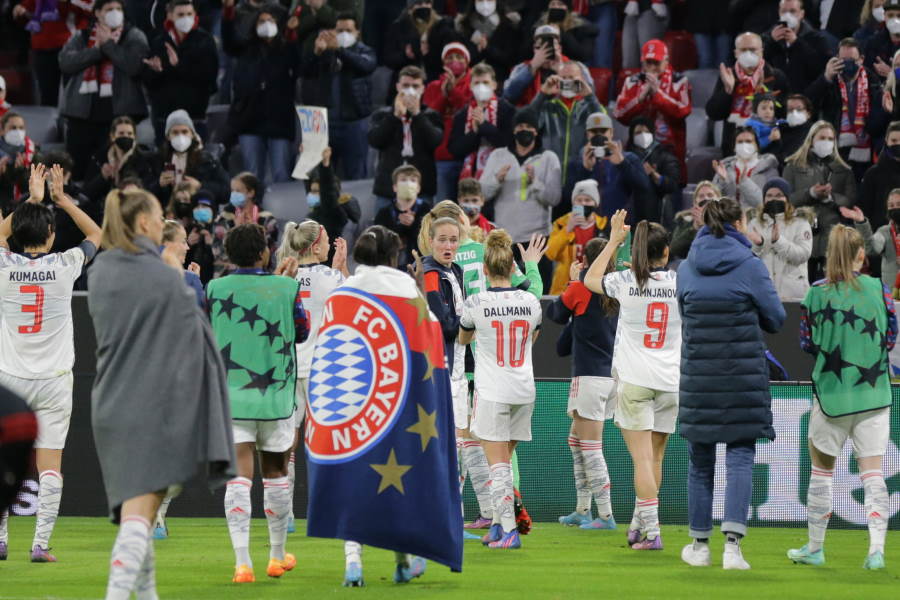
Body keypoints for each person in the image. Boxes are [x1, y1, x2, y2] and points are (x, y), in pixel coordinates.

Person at [87, 187, 234, 598]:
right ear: (144, 224)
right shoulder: (165, 278)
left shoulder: (100, 272)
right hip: (149, 405)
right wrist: (178, 277)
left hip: (109, 404)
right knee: (139, 515)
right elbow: (197, 337)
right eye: (158, 215)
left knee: (143, 515)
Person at [677, 197, 786, 571]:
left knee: (700, 463)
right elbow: (776, 318)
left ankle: (699, 546)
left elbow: (684, 316)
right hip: (742, 379)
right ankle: (733, 550)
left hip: (699, 380)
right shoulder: (750, 266)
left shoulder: (687, 268)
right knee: (740, 458)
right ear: (739, 223)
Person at [0, 164, 100, 563]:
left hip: (11, 377)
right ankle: (40, 545)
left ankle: (1, 540)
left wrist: (32, 201)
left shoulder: (4, 268)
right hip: (56, 379)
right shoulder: (64, 267)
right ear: (53, 235)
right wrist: (61, 199)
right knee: (50, 464)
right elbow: (97, 235)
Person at [788, 224, 896, 570]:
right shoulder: (880, 290)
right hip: (874, 394)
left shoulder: (814, 294)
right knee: (873, 474)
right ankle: (876, 550)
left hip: (832, 397)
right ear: (861, 255)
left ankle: (815, 548)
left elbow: (807, 343)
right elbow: (890, 337)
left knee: (821, 473)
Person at [207, 223, 308, 583]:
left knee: (238, 479)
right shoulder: (287, 288)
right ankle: (277, 557)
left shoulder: (214, 288)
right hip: (276, 396)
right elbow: (302, 331)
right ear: (265, 253)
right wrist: (281, 287)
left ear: (228, 256)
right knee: (277, 476)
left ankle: (241, 563)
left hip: (232, 397)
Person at [583, 209, 680, 551]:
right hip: (671, 382)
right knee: (655, 460)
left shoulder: (625, 283)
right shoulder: (680, 283)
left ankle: (653, 533)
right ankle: (641, 525)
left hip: (636, 382)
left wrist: (612, 241)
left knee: (641, 461)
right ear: (666, 253)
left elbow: (589, 279)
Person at [459, 228, 542, 550]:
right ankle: (496, 525)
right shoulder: (531, 302)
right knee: (504, 460)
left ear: (484, 270)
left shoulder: (476, 302)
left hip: (492, 390)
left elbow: (464, 339)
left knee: (498, 465)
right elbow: (533, 338)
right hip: (524, 389)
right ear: (512, 268)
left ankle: (509, 531)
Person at [274, 219, 347, 535]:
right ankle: (327, 511)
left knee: (286, 445)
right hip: (323, 370)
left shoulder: (281, 279)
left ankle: (285, 514)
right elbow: (352, 310)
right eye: (328, 239)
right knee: (327, 444)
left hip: (288, 368)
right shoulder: (332, 278)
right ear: (316, 245)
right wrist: (342, 269)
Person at [547, 237, 618, 531]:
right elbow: (567, 337)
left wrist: (573, 282)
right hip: (612, 376)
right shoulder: (619, 287)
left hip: (588, 377)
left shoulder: (581, 288)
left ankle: (605, 514)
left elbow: (554, 314)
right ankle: (582, 509)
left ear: (587, 261)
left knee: (590, 447)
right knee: (576, 441)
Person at [58, 0, 150, 181]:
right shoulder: (82, 36)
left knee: (118, 170)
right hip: (82, 116)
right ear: (98, 13)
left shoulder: (134, 35)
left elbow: (134, 66)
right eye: (109, 9)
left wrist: (108, 45)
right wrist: (97, 51)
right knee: (78, 170)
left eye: (118, 9)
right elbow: (66, 62)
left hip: (119, 116)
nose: (115, 12)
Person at [479, 108, 561, 290]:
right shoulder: (498, 155)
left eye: (529, 127)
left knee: (539, 294)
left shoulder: (549, 158)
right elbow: (482, 193)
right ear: (514, 130)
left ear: (536, 131)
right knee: (503, 293)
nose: (525, 130)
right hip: (505, 241)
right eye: (520, 126)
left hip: (537, 241)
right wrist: (496, 180)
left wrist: (536, 182)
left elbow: (555, 198)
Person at [223, 0, 300, 184]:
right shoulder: (245, 48)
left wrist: (291, 34)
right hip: (250, 120)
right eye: (261, 21)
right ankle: (255, 211)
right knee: (253, 176)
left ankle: (283, 212)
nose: (266, 24)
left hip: (279, 121)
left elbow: (297, 63)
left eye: (270, 20)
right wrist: (228, 13)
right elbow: (228, 42)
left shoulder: (285, 48)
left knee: (281, 173)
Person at [299, 11, 376, 180]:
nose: (343, 34)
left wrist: (339, 50)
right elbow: (305, 72)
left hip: (354, 122)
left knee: (356, 174)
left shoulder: (365, 51)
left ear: (358, 33)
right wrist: (316, 54)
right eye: (339, 30)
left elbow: (365, 66)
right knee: (322, 176)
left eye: (348, 30)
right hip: (325, 123)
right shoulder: (326, 51)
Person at [783, 120, 859, 281]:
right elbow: (786, 198)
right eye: (822, 138)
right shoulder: (793, 166)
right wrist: (810, 193)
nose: (827, 142)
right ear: (811, 140)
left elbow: (850, 199)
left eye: (830, 139)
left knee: (832, 284)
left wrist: (831, 198)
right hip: (800, 234)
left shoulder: (843, 169)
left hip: (832, 236)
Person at [806, 37, 888, 181]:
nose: (848, 64)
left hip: (866, 149)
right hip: (836, 148)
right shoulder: (830, 81)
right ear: (837, 59)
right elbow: (808, 103)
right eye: (843, 60)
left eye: (852, 60)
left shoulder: (874, 83)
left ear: (861, 59)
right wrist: (826, 78)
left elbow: (878, 121)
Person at [143, 0, 219, 144]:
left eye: (189, 14)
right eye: (181, 14)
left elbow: (208, 77)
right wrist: (156, 71)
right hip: (164, 118)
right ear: (170, 16)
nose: (186, 18)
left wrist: (178, 65)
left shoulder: (204, 41)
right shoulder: (159, 41)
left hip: (194, 116)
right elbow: (149, 82)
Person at [368, 65, 443, 210]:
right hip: (388, 189)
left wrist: (417, 114)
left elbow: (435, 141)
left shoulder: (431, 115)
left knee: (423, 232)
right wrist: (395, 116)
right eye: (406, 85)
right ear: (397, 87)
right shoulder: (382, 114)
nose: (410, 90)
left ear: (423, 88)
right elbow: (374, 140)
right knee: (383, 232)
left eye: (415, 86)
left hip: (422, 189)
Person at [613, 39, 691, 175]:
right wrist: (640, 99)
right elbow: (619, 114)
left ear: (666, 61)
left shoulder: (679, 81)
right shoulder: (631, 81)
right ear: (642, 62)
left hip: (670, 151)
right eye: (648, 63)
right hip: (638, 150)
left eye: (657, 63)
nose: (652, 68)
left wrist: (657, 94)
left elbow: (683, 111)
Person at [705, 32, 789, 156]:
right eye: (743, 50)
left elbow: (785, 115)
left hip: (768, 151)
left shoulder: (776, 76)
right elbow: (713, 113)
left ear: (761, 52)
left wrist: (763, 94)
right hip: (734, 151)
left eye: (753, 50)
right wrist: (728, 92)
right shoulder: (729, 76)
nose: (748, 54)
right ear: (736, 53)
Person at [528, 60, 602, 193]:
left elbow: (602, 127)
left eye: (572, 78)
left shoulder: (590, 107)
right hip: (549, 184)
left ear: (582, 79)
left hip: (581, 185)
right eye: (564, 78)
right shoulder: (548, 106)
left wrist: (590, 96)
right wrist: (542, 94)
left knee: (578, 214)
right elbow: (528, 122)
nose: (567, 81)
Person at [567, 111, 652, 223]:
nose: (599, 135)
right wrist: (585, 169)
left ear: (611, 132)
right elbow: (568, 197)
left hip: (620, 227)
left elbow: (645, 188)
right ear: (587, 134)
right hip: (588, 227)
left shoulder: (629, 158)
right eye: (594, 131)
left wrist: (622, 163)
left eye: (603, 131)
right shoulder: (577, 162)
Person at [11, 0, 91, 106]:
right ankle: (50, 122)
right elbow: (24, 16)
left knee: (73, 92)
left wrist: (68, 2)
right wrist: (19, 11)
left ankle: (74, 121)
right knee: (47, 95)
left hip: (69, 48)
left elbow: (91, 11)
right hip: (42, 49)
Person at [448, 62, 515, 187]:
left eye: (485, 83)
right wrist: (474, 133)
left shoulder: (507, 110)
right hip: (471, 177)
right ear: (470, 86)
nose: (481, 87)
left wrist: (484, 127)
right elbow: (454, 149)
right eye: (477, 83)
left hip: (503, 174)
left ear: (494, 85)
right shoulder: (462, 115)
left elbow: (509, 142)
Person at [746, 178, 813, 301]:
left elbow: (803, 254)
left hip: (793, 296)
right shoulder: (754, 224)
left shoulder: (800, 222)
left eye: (779, 195)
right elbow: (746, 261)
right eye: (769, 195)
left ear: (787, 199)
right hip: (763, 295)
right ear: (764, 199)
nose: (773, 199)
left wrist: (778, 241)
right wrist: (758, 245)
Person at [423, 42, 474, 202]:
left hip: (469, 156)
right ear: (443, 63)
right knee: (444, 207)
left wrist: (453, 92)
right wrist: (444, 95)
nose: (454, 61)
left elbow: (468, 112)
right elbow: (429, 118)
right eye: (450, 58)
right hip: (442, 157)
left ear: (467, 62)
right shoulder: (433, 86)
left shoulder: (474, 85)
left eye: (459, 57)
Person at [150, 109, 230, 207]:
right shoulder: (156, 160)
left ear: (192, 134)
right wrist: (158, 184)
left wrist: (200, 186)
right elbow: (143, 192)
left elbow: (226, 191)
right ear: (168, 136)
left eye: (184, 132)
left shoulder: (207, 160)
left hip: (198, 212)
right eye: (175, 132)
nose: (180, 136)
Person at [503, 24, 593, 108]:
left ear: (560, 48)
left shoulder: (578, 67)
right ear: (534, 49)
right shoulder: (521, 68)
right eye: (540, 47)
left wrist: (562, 70)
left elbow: (589, 97)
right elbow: (508, 96)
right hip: (531, 119)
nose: (545, 52)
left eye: (550, 47)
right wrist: (532, 67)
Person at [546, 179, 607, 295]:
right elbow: (550, 253)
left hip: (594, 289)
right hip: (565, 289)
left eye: (587, 200)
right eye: (579, 200)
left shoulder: (604, 226)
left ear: (595, 203)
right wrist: (567, 229)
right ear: (573, 203)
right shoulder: (561, 223)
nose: (583, 203)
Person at [383, 0, 464, 83]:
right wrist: (406, 56)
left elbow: (450, 57)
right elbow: (389, 58)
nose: (424, 6)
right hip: (406, 79)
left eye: (427, 3)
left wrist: (429, 55)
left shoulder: (443, 26)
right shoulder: (399, 27)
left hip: (436, 80)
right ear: (410, 8)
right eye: (419, 4)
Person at [762, 0, 831, 94]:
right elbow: (759, 65)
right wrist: (772, 41)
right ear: (779, 12)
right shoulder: (767, 37)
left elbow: (820, 68)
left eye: (792, 11)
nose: (787, 15)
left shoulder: (817, 39)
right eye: (784, 11)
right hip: (776, 98)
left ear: (802, 14)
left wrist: (797, 43)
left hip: (806, 98)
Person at [83, 116, 156, 203]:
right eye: (121, 133)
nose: (126, 136)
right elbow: (86, 192)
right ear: (112, 136)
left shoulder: (145, 159)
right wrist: (102, 177)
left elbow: (148, 191)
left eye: (130, 134)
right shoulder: (99, 158)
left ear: (135, 137)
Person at [374, 164, 432, 271]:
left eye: (413, 180)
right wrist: (399, 226)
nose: (408, 183)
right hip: (391, 270)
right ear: (395, 187)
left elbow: (430, 243)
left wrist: (413, 225)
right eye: (403, 180)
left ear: (418, 188)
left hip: (421, 269)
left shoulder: (427, 211)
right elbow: (377, 244)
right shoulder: (384, 213)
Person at [625, 116, 681, 225]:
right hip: (630, 215)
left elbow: (673, 185)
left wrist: (654, 175)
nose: (643, 135)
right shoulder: (625, 158)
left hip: (657, 215)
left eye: (646, 131)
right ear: (632, 136)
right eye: (638, 132)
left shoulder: (665, 156)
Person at [454, 0, 525, 84]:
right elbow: (459, 59)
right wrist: (477, 49)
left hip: (499, 81)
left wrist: (488, 48)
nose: (485, 4)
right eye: (480, 0)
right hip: (469, 82)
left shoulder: (508, 26)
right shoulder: (464, 27)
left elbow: (511, 59)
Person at [712, 126, 780, 209]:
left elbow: (764, 203)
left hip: (756, 219)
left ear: (757, 146)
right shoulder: (724, 167)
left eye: (748, 141)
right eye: (740, 142)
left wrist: (745, 182)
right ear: (734, 147)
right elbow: (713, 202)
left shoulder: (769, 169)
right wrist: (723, 181)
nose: (744, 145)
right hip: (728, 218)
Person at [860, 120, 900, 231]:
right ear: (886, 141)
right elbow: (865, 212)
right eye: (894, 140)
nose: (898, 144)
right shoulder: (873, 174)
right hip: (880, 239)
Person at [533, 0, 598, 66]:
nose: (556, 7)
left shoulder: (583, 28)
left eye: (560, 4)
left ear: (567, 8)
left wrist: (561, 33)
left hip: (572, 68)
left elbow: (584, 55)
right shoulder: (539, 27)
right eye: (553, 4)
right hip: (542, 65)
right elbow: (526, 53)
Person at [670, 180, 720, 261]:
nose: (706, 198)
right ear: (695, 202)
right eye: (701, 196)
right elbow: (674, 249)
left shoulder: (726, 219)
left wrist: (706, 227)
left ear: (718, 199)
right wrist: (695, 227)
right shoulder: (684, 220)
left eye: (710, 195)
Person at [0, 112, 37, 214]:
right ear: (2, 130)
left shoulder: (32, 152)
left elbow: (33, 189)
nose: (18, 131)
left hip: (24, 208)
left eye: (21, 128)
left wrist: (21, 171)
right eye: (13, 128)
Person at [621, 0, 669, 70]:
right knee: (629, 64)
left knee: (648, 62)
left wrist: (657, 1)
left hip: (653, 9)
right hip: (632, 9)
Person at [863, 0, 900, 77]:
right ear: (884, 16)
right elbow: (866, 73)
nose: (895, 20)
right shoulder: (873, 43)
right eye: (890, 15)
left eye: (899, 16)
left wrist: (893, 74)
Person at [777, 93, 816, 164]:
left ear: (808, 114)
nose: (794, 113)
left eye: (799, 109)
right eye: (790, 109)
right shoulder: (779, 130)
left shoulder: (815, 131)